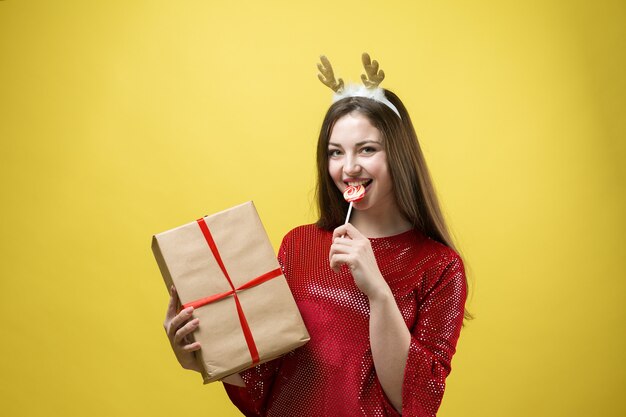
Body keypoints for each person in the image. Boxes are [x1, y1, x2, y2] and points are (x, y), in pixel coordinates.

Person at [163, 53, 469, 417]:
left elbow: (416, 402)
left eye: (367, 149)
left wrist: (378, 292)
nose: (349, 167)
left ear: (398, 155)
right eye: (335, 153)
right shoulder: (299, 245)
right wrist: (203, 356)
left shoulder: (439, 266)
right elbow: (268, 379)